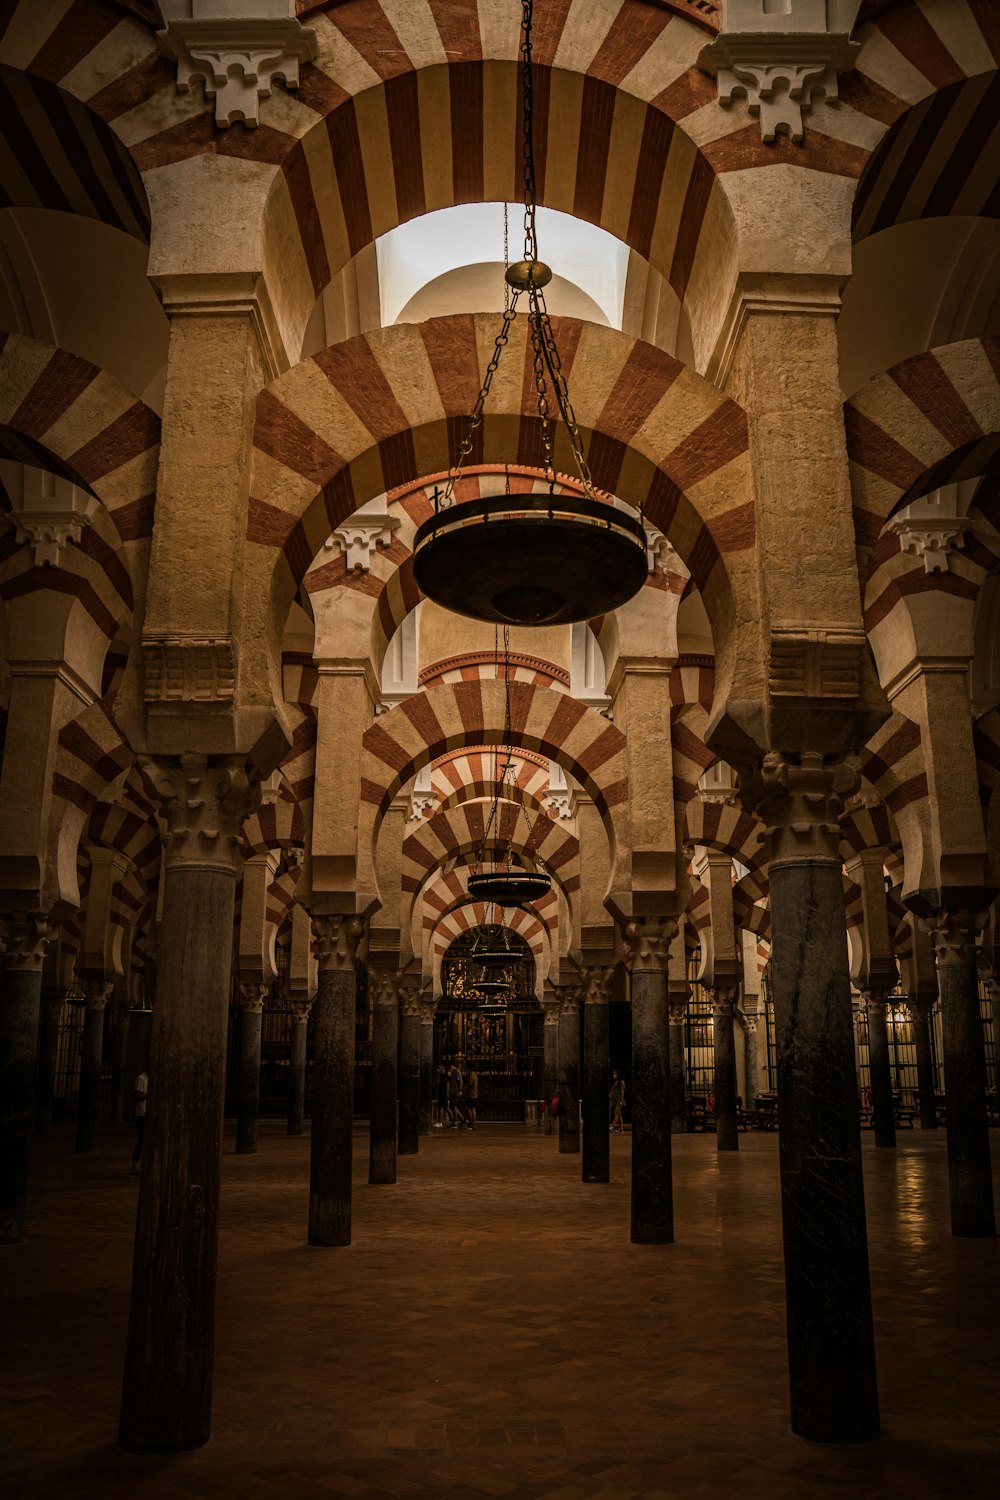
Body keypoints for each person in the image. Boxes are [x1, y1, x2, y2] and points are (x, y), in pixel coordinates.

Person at [129, 1070, 148, 1174]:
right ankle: (134, 1166)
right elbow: (137, 1097)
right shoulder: (141, 1079)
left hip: (148, 1115)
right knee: (141, 1140)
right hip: (142, 1114)